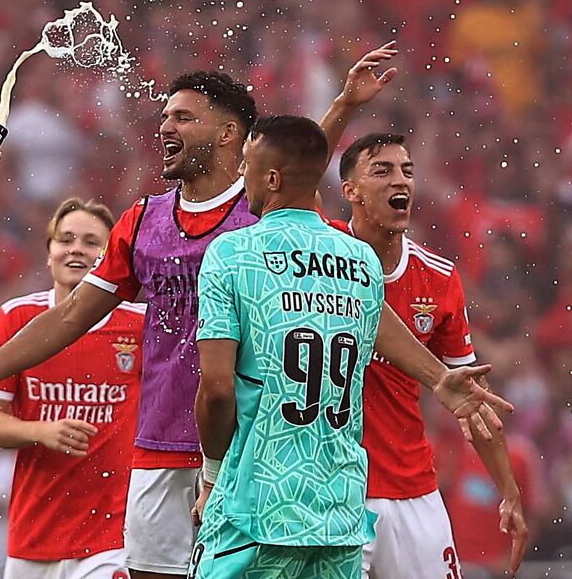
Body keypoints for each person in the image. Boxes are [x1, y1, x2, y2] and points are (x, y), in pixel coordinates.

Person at [0, 48, 511, 579]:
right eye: (164, 114)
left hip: (247, 461)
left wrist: (437, 378)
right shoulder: (142, 220)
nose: (164, 125)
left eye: (182, 116)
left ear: (229, 135)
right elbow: (69, 318)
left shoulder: (265, 215)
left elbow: (348, 272)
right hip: (155, 449)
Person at [189, 116, 514, 578]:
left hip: (259, 502)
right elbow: (379, 319)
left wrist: (212, 473)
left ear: (273, 179)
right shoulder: (356, 258)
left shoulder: (232, 252)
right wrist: (439, 377)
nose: (241, 178)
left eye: (246, 167)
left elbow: (218, 388)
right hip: (340, 507)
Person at [332, 133, 529, 578]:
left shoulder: (438, 277)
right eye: (381, 171)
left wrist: (508, 491)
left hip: (411, 488)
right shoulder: (321, 253)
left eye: (406, 170)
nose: (399, 180)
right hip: (332, 489)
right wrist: (344, 104)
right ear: (350, 191)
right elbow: (284, 177)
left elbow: (473, 399)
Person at [0, 197, 145, 578]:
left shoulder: (139, 325)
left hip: (112, 537)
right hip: (33, 536)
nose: (77, 249)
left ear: (111, 256)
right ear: (49, 252)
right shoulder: (17, 317)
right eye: (66, 239)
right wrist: (41, 431)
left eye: (91, 242)